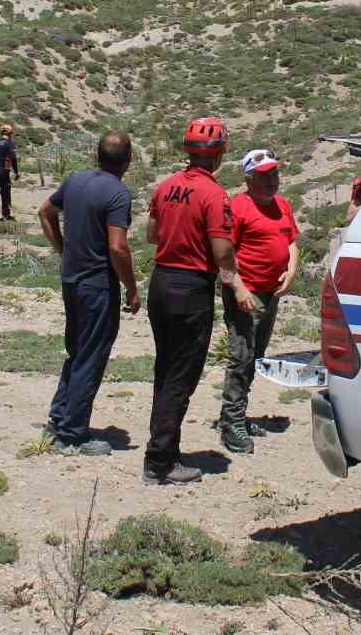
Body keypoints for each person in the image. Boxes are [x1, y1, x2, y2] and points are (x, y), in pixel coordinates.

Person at [142, 116, 248, 486]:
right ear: (218, 154)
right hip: (190, 288)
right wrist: (235, 281)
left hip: (161, 282)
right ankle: (160, 461)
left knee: (165, 368)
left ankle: (160, 448)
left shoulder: (166, 186)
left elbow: (153, 235)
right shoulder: (215, 195)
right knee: (181, 376)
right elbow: (222, 250)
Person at [36, 130, 140, 456]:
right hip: (97, 285)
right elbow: (118, 247)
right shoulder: (118, 194)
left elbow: (45, 212)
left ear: (97, 155)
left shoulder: (76, 180)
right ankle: (71, 434)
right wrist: (132, 289)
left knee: (78, 351)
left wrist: (63, 249)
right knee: (91, 357)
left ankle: (59, 418)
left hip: (71, 280)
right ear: (128, 160)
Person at [219, 148, 300, 454]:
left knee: (255, 355)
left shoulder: (282, 205)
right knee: (241, 356)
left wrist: (291, 269)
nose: (272, 181)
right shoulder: (237, 208)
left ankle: (235, 414)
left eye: (275, 174)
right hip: (246, 291)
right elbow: (224, 254)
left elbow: (292, 240)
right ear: (249, 179)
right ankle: (232, 423)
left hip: (270, 293)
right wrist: (239, 289)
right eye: (265, 176)